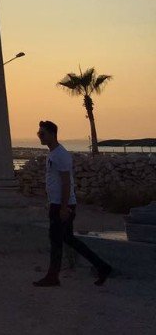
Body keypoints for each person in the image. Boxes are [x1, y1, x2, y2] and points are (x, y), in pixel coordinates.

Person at [33, 120, 112, 287]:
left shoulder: (61, 155)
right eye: (39, 134)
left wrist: (63, 207)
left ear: (52, 134)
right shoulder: (53, 154)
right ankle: (102, 266)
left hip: (63, 205)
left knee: (56, 240)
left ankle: (52, 276)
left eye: (42, 133)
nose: (40, 136)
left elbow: (66, 183)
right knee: (67, 239)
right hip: (57, 203)